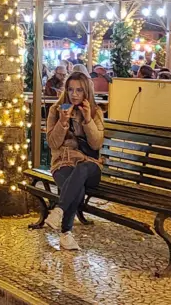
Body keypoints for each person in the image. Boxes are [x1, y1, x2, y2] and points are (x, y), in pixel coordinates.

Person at [43, 72, 104, 251]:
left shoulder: (95, 111)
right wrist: (62, 122)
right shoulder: (56, 110)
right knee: (78, 189)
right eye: (70, 89)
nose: (74, 94)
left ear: (86, 92)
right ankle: (66, 235)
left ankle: (59, 211)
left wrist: (87, 120)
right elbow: (53, 144)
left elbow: (96, 143)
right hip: (63, 162)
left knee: (83, 170)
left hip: (90, 165)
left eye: (79, 90)